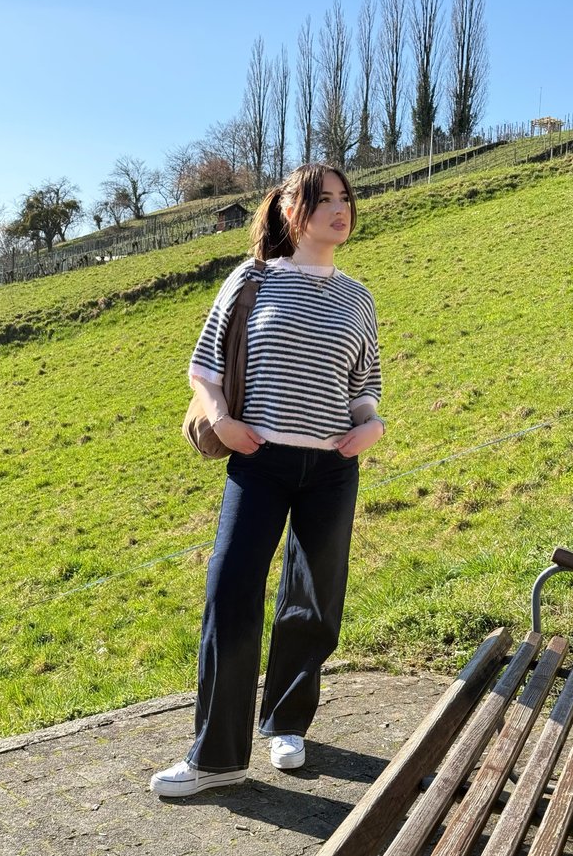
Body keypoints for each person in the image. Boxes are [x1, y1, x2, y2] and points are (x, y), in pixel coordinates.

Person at [150, 163, 384, 798]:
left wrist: (372, 424)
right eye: (323, 199)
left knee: (314, 600)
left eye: (345, 198)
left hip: (332, 469)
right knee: (230, 596)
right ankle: (217, 756)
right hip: (259, 463)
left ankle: (286, 722)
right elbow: (203, 364)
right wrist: (222, 420)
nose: (339, 209)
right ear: (291, 212)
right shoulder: (251, 280)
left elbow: (363, 386)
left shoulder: (357, 296)